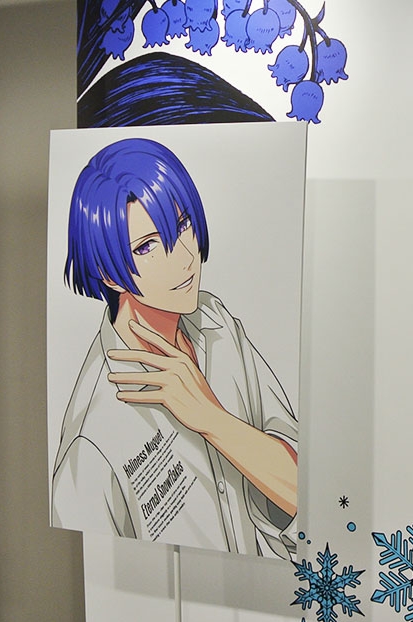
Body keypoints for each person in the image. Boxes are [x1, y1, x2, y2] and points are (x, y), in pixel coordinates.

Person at [52, 137, 297, 557]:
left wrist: (211, 419)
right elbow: (100, 566)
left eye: (183, 225)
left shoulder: (214, 320)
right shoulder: (93, 439)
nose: (183, 257)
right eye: (146, 246)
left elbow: (304, 486)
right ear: (108, 274)